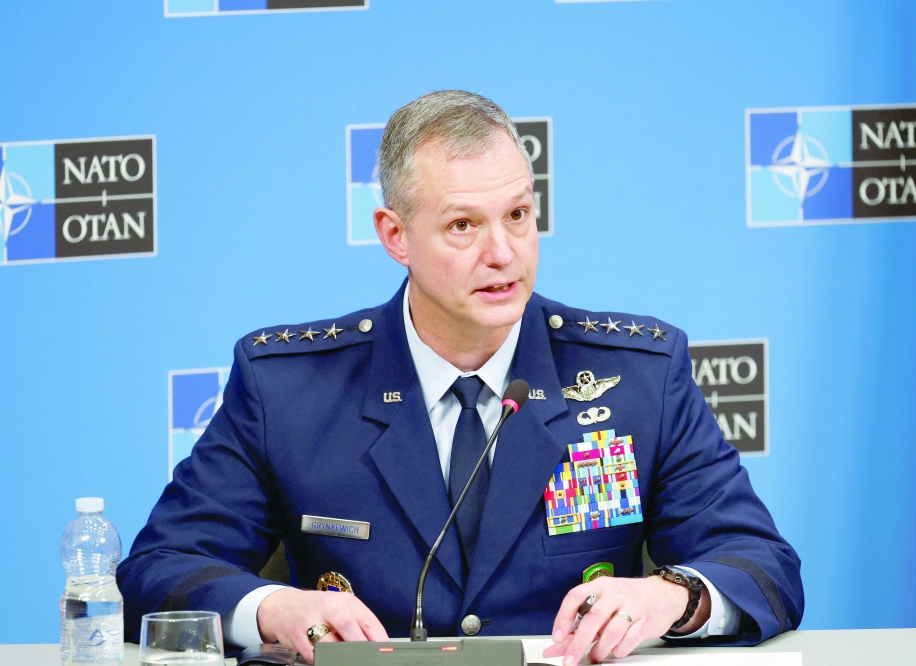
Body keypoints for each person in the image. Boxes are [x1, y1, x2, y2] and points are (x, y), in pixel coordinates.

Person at [118, 90, 803, 665]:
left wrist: (670, 597)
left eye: (517, 215)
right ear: (394, 236)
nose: (502, 253)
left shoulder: (637, 379)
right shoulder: (288, 390)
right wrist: (275, 609)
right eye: (462, 226)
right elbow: (160, 568)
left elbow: (762, 566)